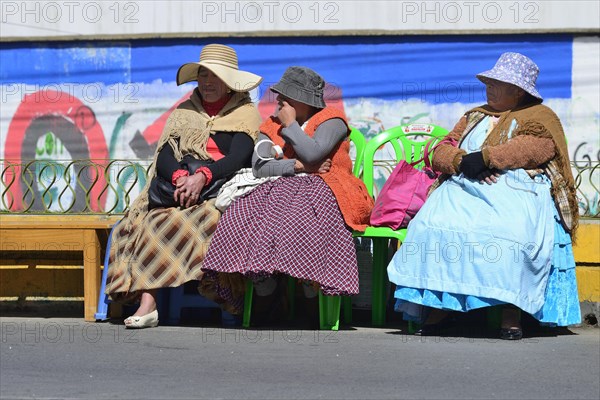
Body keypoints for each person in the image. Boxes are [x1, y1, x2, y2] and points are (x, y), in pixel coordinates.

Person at [386, 52, 581, 340]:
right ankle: (441, 307)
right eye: (488, 82)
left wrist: (487, 158)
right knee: (431, 226)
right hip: (464, 185)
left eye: (497, 83)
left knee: (510, 232)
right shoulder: (474, 116)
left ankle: (510, 310)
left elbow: (535, 149)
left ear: (518, 91)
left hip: (515, 187)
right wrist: (462, 162)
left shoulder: (540, 117)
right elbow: (441, 148)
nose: (489, 87)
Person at [105, 44, 263, 328]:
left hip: (218, 193)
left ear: (230, 83)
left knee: (205, 221)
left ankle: (218, 292)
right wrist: (179, 177)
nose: (207, 82)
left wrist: (203, 175)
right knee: (152, 222)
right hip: (180, 191)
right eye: (203, 75)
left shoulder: (245, 114)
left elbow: (239, 157)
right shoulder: (183, 112)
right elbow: (165, 154)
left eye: (214, 76)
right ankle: (148, 305)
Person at [199, 66, 374, 321]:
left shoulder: (331, 119)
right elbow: (260, 167)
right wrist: (297, 166)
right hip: (279, 187)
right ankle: (265, 286)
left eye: (287, 99)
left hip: (328, 187)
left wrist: (291, 125)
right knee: (244, 214)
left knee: (302, 220)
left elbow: (314, 152)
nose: (280, 103)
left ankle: (309, 293)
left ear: (303, 101)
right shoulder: (270, 126)